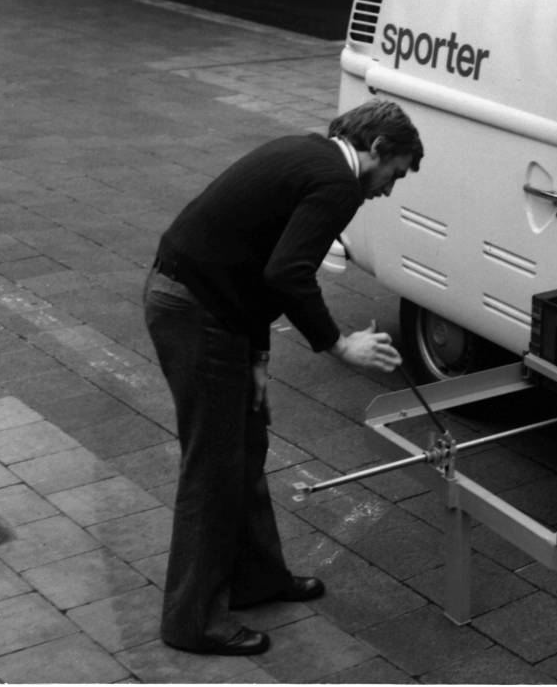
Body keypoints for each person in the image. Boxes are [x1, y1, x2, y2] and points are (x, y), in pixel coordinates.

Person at [143, 99, 423, 656]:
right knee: (215, 468)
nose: (388, 190)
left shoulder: (311, 155)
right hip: (196, 311)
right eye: (395, 174)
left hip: (207, 305)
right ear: (377, 150)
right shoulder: (338, 183)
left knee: (246, 448)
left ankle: (256, 579)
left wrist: (258, 358)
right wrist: (340, 344)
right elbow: (288, 272)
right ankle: (192, 622)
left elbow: (259, 264)